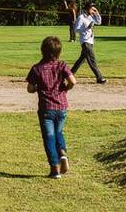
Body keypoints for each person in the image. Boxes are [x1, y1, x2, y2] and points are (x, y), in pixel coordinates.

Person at [26, 36, 75, 179]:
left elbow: (29, 88)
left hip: (46, 108)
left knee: (49, 137)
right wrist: (65, 88)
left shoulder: (37, 69)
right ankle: (63, 155)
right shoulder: (62, 65)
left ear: (42, 51)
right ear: (59, 52)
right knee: (59, 132)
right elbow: (73, 81)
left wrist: (36, 88)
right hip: (61, 106)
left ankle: (55, 169)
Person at [71, 1, 106, 84]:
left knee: (81, 60)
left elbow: (99, 22)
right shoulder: (81, 18)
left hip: (90, 41)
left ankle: (69, 74)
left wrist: (96, 12)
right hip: (85, 41)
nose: (93, 10)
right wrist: (86, 28)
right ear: (87, 9)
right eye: (91, 8)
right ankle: (99, 77)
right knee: (92, 60)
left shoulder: (91, 17)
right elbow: (76, 30)